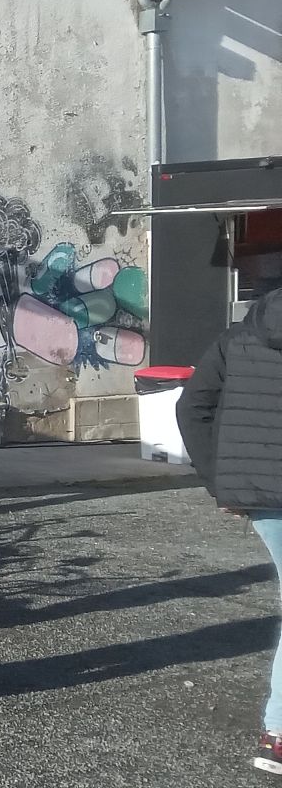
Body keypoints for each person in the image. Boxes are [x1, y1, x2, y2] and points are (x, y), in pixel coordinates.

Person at [178, 285, 282, 776]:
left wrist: (221, 482)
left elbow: (191, 407)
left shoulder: (238, 337)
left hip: (259, 494)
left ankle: (277, 733)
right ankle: (277, 729)